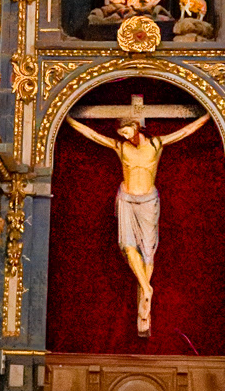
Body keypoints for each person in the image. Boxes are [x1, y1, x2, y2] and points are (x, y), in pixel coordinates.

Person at [66, 110, 212, 334]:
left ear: (135, 126)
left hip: (148, 202)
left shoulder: (156, 144)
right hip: (126, 200)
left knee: (148, 251)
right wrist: (68, 120)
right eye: (121, 133)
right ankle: (147, 289)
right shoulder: (120, 147)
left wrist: (207, 117)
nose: (124, 136)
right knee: (127, 245)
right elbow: (92, 134)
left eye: (126, 130)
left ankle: (145, 300)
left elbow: (185, 131)